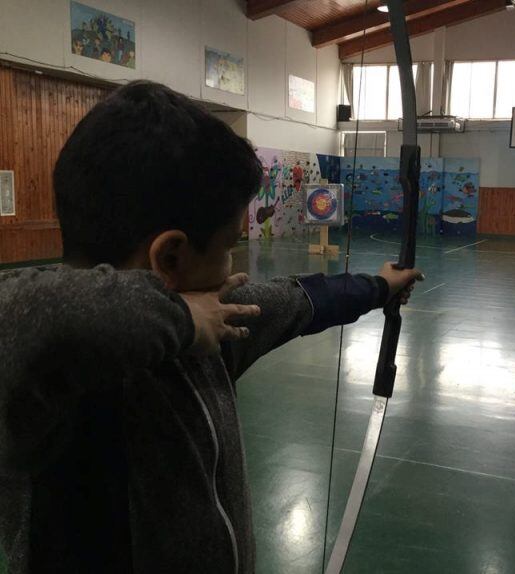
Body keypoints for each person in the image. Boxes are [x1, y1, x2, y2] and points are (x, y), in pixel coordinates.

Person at [0, 81, 422, 573]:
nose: (231, 268)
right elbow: (25, 312)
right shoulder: (46, 377)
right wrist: (178, 317)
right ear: (170, 255)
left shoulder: (212, 327)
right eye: (228, 245)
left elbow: (295, 301)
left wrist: (377, 287)